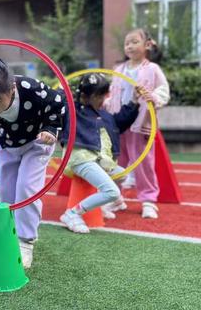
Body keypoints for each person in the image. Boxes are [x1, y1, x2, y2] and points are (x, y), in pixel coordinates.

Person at [0, 56, 64, 268]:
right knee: (5, 193)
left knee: (27, 188)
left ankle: (25, 241)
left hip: (37, 142)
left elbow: (57, 103)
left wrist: (51, 129)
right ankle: (6, 236)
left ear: (12, 89)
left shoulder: (31, 88)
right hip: (8, 143)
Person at [59, 73, 152, 234]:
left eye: (104, 95)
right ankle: (72, 213)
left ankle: (106, 203)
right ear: (87, 96)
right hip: (81, 159)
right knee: (111, 191)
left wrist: (135, 100)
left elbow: (121, 121)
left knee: (123, 174)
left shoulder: (103, 115)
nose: (103, 99)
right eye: (99, 96)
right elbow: (61, 103)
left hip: (100, 161)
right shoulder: (73, 110)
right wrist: (63, 90)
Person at [106, 29, 170, 219]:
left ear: (147, 45)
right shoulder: (118, 70)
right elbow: (111, 94)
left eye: (134, 42)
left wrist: (155, 97)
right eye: (127, 43)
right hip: (119, 122)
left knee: (144, 164)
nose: (130, 46)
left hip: (141, 123)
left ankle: (148, 201)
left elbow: (163, 89)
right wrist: (107, 109)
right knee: (115, 162)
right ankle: (115, 198)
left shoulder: (152, 69)